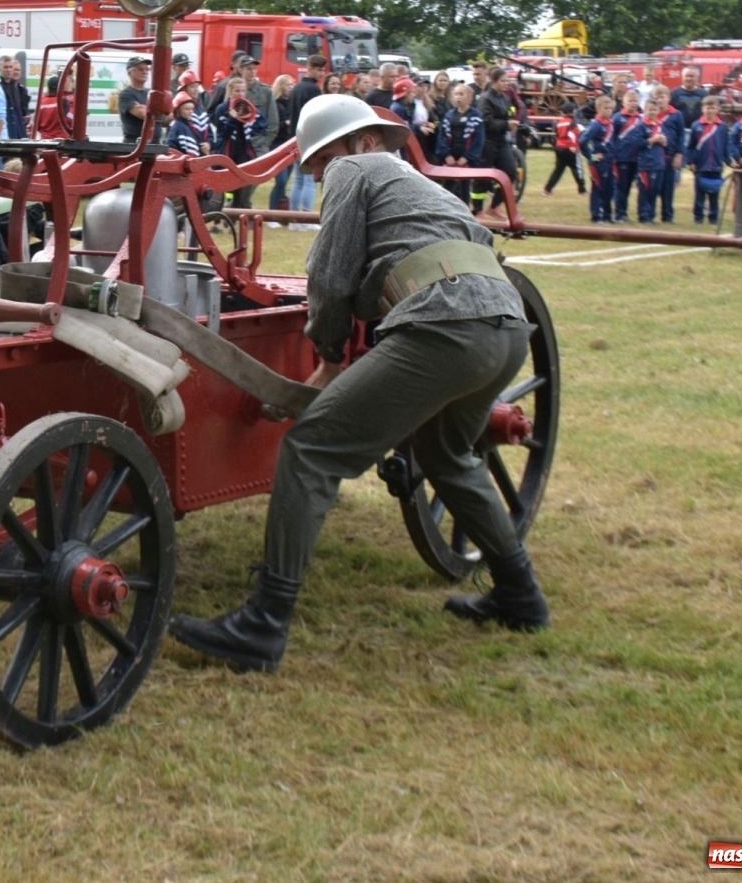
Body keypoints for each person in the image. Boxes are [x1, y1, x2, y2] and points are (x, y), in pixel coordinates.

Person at [168, 94, 546, 673]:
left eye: (321, 161)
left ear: (361, 143)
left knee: (311, 449)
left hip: (443, 326)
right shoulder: (425, 188)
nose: (322, 176)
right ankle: (521, 593)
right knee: (449, 457)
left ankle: (263, 624)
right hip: (505, 328)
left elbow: (330, 271)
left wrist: (326, 355)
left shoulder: (356, 169)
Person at [213, 77, 265, 206]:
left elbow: (263, 123)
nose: (240, 94)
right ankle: (226, 210)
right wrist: (232, 119)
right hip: (227, 153)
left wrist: (251, 126)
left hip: (244, 153)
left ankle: (242, 207)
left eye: (243, 91)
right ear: (230, 92)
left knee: (244, 187)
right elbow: (223, 133)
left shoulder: (248, 108)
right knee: (227, 189)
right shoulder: (222, 109)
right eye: (237, 91)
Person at [474, 67, 519, 214]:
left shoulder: (505, 98)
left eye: (507, 81)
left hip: (501, 141)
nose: (506, 84)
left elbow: (509, 113)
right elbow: (486, 122)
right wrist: (506, 124)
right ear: (494, 81)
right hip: (487, 142)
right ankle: (477, 210)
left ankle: (494, 206)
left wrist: (513, 123)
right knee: (483, 176)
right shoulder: (485, 98)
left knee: (510, 172)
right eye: (503, 81)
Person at [434, 83, 483, 205]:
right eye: (456, 94)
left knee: (464, 185)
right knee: (448, 186)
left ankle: (465, 208)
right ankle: (445, 209)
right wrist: (446, 155)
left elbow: (478, 139)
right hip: (450, 156)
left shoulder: (476, 116)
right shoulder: (449, 115)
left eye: (461, 94)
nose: (458, 97)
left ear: (470, 97)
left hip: (465, 157)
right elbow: (442, 136)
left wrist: (467, 157)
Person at [642, 87, 685, 222]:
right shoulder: (650, 115)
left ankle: (667, 215)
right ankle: (649, 214)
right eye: (656, 97)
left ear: (669, 98)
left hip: (669, 156)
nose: (659, 100)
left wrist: (679, 154)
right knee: (653, 187)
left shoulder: (676, 114)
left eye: (662, 97)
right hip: (653, 157)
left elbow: (681, 136)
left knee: (668, 188)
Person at [687, 95, 731, 224]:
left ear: (717, 109)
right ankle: (698, 218)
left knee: (714, 194)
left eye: (713, 108)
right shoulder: (696, 125)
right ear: (702, 109)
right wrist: (691, 162)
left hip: (716, 165)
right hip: (701, 165)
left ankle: (713, 218)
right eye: (707, 108)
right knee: (699, 194)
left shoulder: (722, 127)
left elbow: (725, 146)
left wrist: (729, 161)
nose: (710, 110)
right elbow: (691, 146)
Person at [608, 89, 647, 223]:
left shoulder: (641, 119)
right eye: (630, 101)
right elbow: (611, 137)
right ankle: (619, 214)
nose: (633, 103)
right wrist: (613, 154)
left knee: (629, 186)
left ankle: (624, 212)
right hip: (621, 158)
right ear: (623, 103)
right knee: (621, 186)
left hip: (635, 158)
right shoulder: (617, 118)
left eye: (635, 101)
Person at [579, 95, 618, 224]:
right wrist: (591, 155)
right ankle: (596, 215)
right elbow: (583, 141)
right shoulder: (596, 124)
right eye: (605, 108)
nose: (608, 111)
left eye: (610, 108)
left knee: (609, 189)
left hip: (609, 161)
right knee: (598, 188)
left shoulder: (610, 123)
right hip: (599, 162)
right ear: (598, 109)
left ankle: (607, 214)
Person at [267, 74, 297, 214]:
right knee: (281, 181)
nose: (291, 87)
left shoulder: (292, 103)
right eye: (288, 85)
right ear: (281, 86)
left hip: (290, 145)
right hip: (277, 145)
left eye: (292, 84)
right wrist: (286, 123)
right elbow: (272, 125)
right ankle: (272, 212)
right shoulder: (275, 103)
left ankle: (279, 211)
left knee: (285, 183)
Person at [542, 106, 584, 196]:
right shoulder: (572, 122)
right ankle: (582, 190)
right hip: (569, 148)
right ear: (572, 111)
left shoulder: (560, 122)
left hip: (559, 148)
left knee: (558, 171)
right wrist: (574, 146)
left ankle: (547, 189)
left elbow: (557, 135)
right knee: (577, 169)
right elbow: (573, 134)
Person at [119, 56, 156, 146]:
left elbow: (169, 114)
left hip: (155, 145)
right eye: (140, 69)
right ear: (130, 73)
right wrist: (157, 111)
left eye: (147, 69)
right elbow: (143, 114)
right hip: (134, 146)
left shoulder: (152, 93)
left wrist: (148, 109)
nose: (145, 72)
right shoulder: (126, 94)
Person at [165, 92, 209, 156]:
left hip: (192, 159)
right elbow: (170, 144)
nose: (190, 111)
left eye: (192, 109)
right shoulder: (177, 125)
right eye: (187, 109)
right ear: (178, 110)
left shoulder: (191, 126)